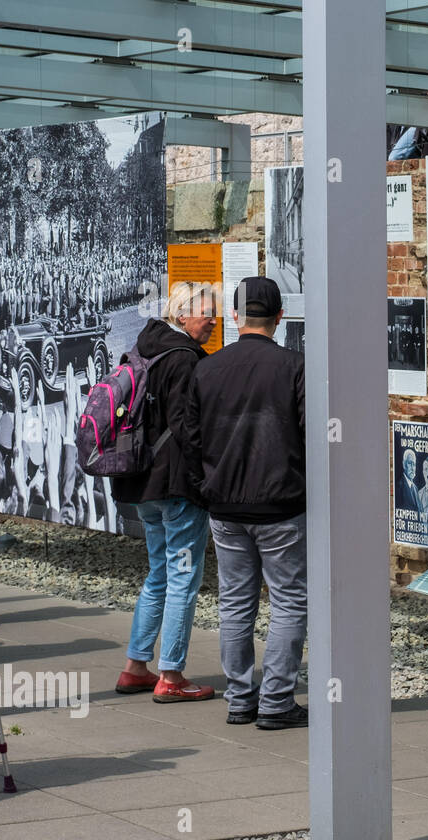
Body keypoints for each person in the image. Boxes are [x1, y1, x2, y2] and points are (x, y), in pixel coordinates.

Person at [182, 276, 308, 730]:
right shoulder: (295, 366)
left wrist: (208, 489)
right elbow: (310, 436)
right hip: (280, 505)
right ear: (279, 317)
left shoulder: (206, 369)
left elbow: (188, 439)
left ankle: (240, 698)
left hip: (226, 507)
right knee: (289, 601)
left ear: (235, 317)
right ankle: (275, 701)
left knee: (235, 603)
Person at [111, 283, 216, 703]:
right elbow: (188, 430)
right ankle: (171, 675)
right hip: (177, 488)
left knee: (159, 574)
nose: (213, 320)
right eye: (207, 312)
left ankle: (136, 665)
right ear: (183, 314)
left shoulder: (145, 348)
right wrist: (205, 480)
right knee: (183, 579)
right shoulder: (185, 360)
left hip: (144, 485)